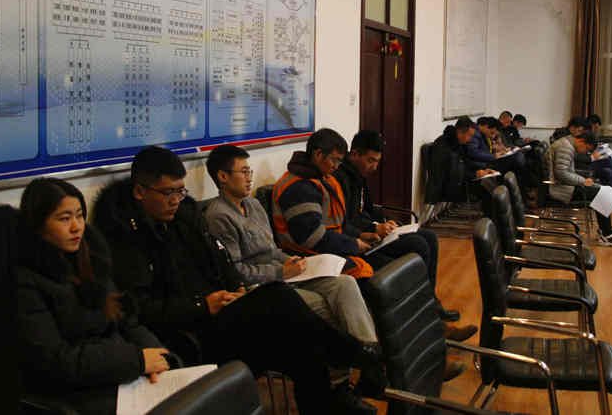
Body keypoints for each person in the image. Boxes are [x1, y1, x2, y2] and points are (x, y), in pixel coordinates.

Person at [93, 146, 385, 414]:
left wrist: (236, 290)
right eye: (168, 192)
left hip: (222, 311)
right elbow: (140, 309)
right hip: (189, 336)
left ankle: (327, 400)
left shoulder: (185, 216)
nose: (175, 200)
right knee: (279, 298)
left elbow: (221, 262)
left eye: (180, 191)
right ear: (140, 191)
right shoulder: (123, 239)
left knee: (301, 342)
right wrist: (202, 305)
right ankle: (351, 353)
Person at [203, 144, 382, 407]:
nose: (250, 177)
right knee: (325, 306)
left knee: (344, 283)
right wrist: (281, 270)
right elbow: (236, 271)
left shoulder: (253, 205)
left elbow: (272, 250)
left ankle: (369, 359)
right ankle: (339, 384)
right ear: (222, 177)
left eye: (250, 171)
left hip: (285, 274)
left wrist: (290, 261)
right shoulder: (218, 216)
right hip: (261, 290)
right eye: (244, 171)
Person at [17, 178, 176, 415]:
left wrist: (158, 356)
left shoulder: (92, 258)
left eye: (80, 216)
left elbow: (127, 322)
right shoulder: (25, 280)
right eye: (64, 219)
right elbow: (56, 361)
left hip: (120, 373)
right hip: (76, 391)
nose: (76, 227)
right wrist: (137, 361)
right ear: (38, 224)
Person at [334, 130, 469, 330]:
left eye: (377, 161)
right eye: (370, 161)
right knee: (418, 244)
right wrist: (374, 227)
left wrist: (386, 221)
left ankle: (430, 303)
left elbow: (369, 209)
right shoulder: (340, 179)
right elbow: (347, 220)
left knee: (429, 236)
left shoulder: (359, 176)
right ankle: (423, 315)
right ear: (354, 154)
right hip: (361, 239)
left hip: (371, 232)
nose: (374, 167)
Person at [548, 132, 612, 247]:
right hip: (561, 189)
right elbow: (561, 174)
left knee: (604, 191)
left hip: (567, 186)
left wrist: (583, 179)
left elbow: (566, 172)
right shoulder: (565, 148)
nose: (584, 152)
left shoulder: (566, 144)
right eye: (586, 149)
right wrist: (582, 181)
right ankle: (606, 234)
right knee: (603, 194)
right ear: (581, 141)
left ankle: (606, 231)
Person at [428, 116, 499, 213]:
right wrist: (474, 174)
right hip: (447, 186)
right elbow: (451, 173)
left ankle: (492, 219)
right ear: (460, 132)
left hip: (458, 181)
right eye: (469, 135)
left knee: (490, 185)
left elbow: (464, 163)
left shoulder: (456, 143)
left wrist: (482, 170)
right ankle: (491, 220)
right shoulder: (444, 145)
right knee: (488, 191)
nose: (469, 139)